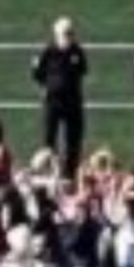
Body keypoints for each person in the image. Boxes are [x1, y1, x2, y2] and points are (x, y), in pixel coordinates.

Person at [32, 16, 88, 180]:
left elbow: (82, 71)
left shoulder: (77, 52)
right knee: (49, 140)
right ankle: (50, 174)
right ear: (56, 34)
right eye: (65, 33)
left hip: (73, 102)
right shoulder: (48, 52)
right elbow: (37, 73)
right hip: (53, 102)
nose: (69, 37)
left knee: (73, 141)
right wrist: (46, 87)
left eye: (71, 33)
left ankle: (70, 174)